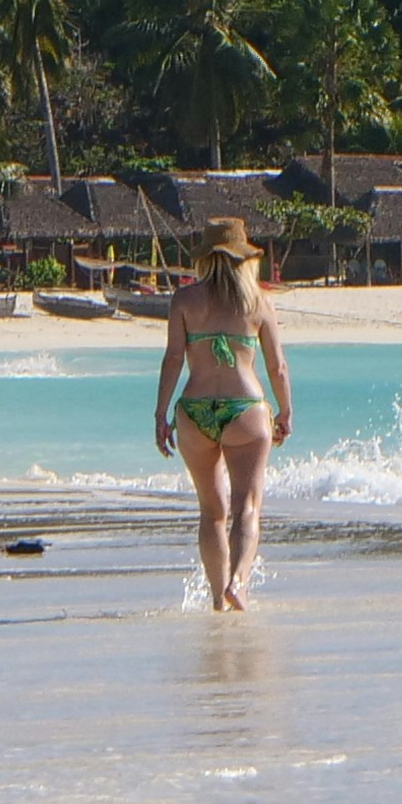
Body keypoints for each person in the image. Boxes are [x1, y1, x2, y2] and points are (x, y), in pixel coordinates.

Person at [153, 217, 292, 611]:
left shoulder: (184, 300)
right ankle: (239, 583)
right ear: (244, 258)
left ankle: (217, 599)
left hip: (194, 410)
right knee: (247, 505)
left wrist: (161, 414)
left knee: (212, 512)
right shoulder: (259, 302)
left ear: (206, 259)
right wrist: (285, 411)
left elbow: (173, 360)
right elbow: (277, 366)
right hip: (244, 408)